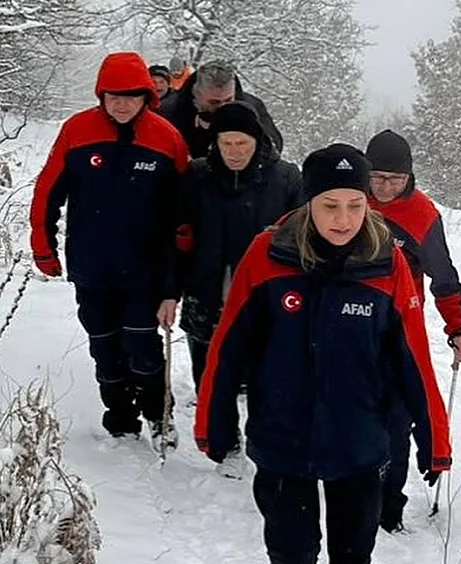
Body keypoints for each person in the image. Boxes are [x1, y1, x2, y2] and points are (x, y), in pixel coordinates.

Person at [194, 143, 451, 564]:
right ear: (308, 203)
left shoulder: (387, 263)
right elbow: (229, 346)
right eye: (330, 205)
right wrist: (214, 418)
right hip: (282, 439)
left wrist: (432, 436)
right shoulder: (268, 254)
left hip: (358, 443)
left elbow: (413, 358)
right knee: (292, 562)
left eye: (355, 205)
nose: (344, 218)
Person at [29, 51, 190, 451]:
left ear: (146, 97)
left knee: (142, 346)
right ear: (101, 95)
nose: (121, 104)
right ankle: (119, 417)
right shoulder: (77, 131)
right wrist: (43, 246)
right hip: (91, 264)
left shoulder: (166, 138)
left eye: (131, 96)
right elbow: (48, 191)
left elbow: (182, 215)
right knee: (103, 345)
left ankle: (158, 413)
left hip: (144, 268)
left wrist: (176, 273)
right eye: (113, 96)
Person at [173, 100, 303, 477]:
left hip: (265, 296)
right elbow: (177, 235)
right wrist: (169, 290)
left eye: (241, 144)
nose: (234, 152)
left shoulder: (284, 179)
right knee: (210, 370)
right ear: (215, 143)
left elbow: (301, 238)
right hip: (206, 288)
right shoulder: (196, 177)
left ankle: (264, 442)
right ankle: (225, 442)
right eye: (226, 144)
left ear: (257, 142)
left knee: (266, 374)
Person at [364, 128, 461, 533]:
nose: (385, 187)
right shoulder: (349, 202)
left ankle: (389, 505)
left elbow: (443, 277)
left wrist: (457, 326)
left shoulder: (422, 215)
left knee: (397, 418)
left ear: (409, 177)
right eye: (377, 177)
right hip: (347, 328)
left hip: (399, 331)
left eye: (395, 179)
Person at [159, 59, 284, 159]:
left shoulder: (251, 107)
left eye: (228, 100)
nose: (222, 107)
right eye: (214, 102)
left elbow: (273, 151)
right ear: (196, 94)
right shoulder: (168, 112)